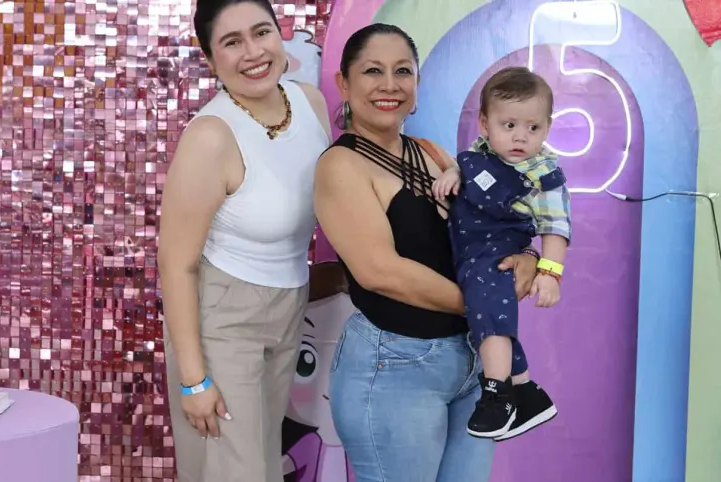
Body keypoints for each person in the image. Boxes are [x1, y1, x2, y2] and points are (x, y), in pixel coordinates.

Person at [314, 24, 539, 481]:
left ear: (417, 84)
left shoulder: (431, 153)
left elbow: (489, 226)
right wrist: (483, 303)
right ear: (344, 83)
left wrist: (528, 258)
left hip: (472, 361)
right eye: (372, 71)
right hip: (394, 365)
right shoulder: (341, 165)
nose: (389, 85)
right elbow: (380, 271)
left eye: (403, 71)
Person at [157, 1, 342, 480]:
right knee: (231, 471)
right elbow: (175, 264)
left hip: (289, 305)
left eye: (261, 33)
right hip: (223, 318)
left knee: (262, 463)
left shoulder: (309, 103)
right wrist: (194, 380)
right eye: (231, 42)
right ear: (210, 58)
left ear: (279, 34)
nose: (253, 52)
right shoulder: (210, 137)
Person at [432, 67, 571, 441]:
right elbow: (464, 169)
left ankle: (496, 393)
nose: (520, 136)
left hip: (496, 255)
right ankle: (526, 393)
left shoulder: (544, 177)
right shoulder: (478, 154)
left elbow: (556, 227)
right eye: (509, 125)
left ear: (547, 128)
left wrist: (550, 273)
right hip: (465, 252)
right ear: (484, 124)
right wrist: (452, 173)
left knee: (490, 316)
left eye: (533, 127)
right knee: (487, 317)